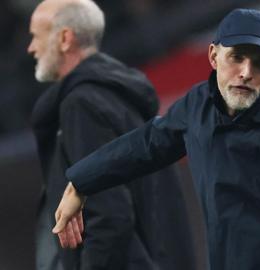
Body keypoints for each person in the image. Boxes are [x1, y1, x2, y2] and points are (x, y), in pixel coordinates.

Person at [52, 8, 260, 270]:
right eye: (237, 57)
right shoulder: (199, 106)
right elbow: (147, 144)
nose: (246, 71)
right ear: (213, 56)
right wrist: (81, 182)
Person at [28, 0, 198, 269]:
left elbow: (110, 216)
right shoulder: (118, 96)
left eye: (36, 37)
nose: (31, 48)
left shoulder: (83, 104)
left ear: (64, 38)